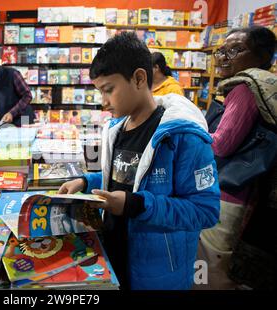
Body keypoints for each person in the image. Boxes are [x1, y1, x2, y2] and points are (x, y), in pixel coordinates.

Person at [58, 32, 220, 290]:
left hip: (157, 271)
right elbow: (125, 176)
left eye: (109, 90)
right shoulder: (117, 129)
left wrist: (137, 205)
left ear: (139, 78)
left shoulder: (183, 137)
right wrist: (85, 181)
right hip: (113, 257)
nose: (104, 102)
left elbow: (205, 211)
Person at [198, 26, 277, 290]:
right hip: (249, 188)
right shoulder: (267, 84)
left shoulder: (245, 87)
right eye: (221, 50)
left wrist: (193, 133)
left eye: (235, 49)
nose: (223, 57)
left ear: (262, 55)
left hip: (228, 192)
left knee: (211, 268)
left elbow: (222, 145)